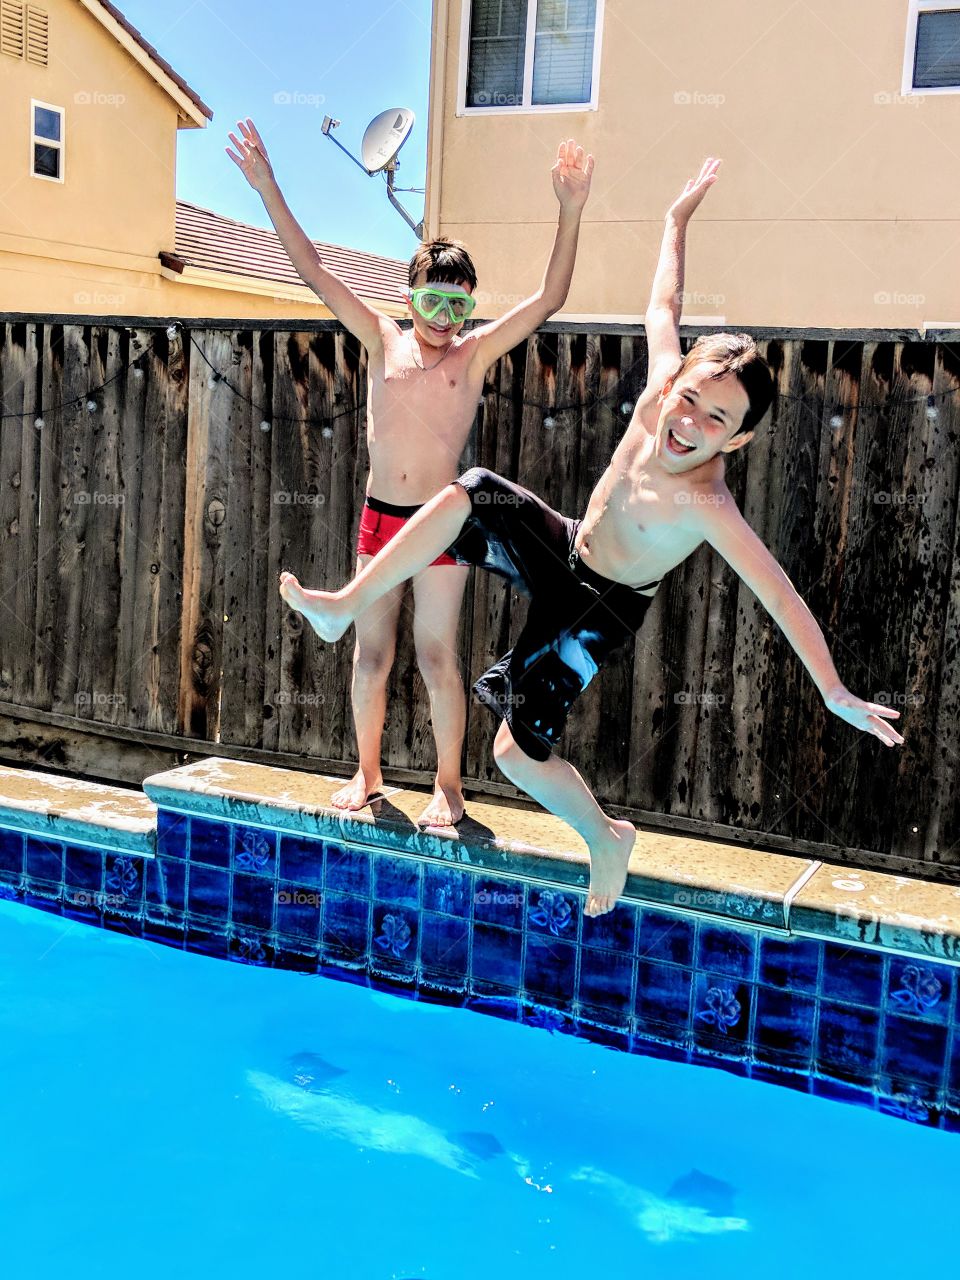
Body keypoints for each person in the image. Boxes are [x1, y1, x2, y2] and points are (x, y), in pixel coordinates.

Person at [277, 158, 904, 917]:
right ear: (674, 385)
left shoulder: (708, 504)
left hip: (599, 606)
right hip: (566, 547)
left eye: (717, 423)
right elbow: (664, 301)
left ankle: (607, 839)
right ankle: (345, 605)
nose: (689, 425)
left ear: (736, 442)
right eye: (691, 401)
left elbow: (780, 592)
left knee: (516, 754)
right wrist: (675, 220)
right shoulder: (659, 393)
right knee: (474, 491)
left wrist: (833, 689)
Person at [227, 118, 594, 826]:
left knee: (435, 656)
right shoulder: (380, 338)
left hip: (444, 528)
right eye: (432, 302)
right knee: (371, 655)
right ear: (408, 297)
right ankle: (367, 773)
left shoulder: (475, 355)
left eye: (459, 306)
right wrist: (268, 187)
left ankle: (449, 786)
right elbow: (314, 271)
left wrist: (569, 209)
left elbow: (548, 299)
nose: (445, 318)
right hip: (378, 519)